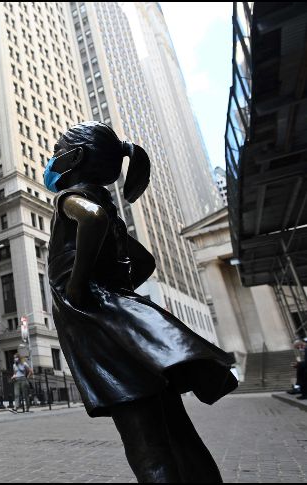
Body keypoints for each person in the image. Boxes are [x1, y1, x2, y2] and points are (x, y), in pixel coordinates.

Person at [45, 121, 238, 483]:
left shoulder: (71, 198)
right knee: (178, 434)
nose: (52, 161)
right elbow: (145, 262)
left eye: (57, 152)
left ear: (75, 158)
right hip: (130, 331)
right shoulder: (111, 211)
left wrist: (79, 286)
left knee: (147, 448)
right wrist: (115, 287)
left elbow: (93, 218)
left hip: (108, 337)